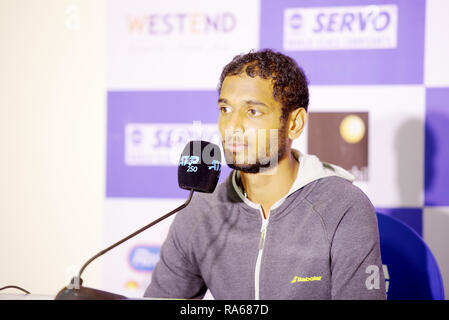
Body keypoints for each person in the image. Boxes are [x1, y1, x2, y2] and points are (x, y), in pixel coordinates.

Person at [145, 49, 386, 300]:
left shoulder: (342, 206)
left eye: (253, 112)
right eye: (225, 109)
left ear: (294, 123)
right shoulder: (199, 210)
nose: (232, 127)